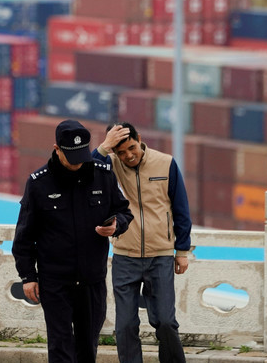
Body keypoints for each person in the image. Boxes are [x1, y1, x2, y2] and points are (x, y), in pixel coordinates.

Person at [12, 119, 133, 363]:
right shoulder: (38, 183)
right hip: (55, 281)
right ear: (57, 149)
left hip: (92, 279)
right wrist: (28, 277)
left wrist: (116, 224)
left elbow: (124, 212)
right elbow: (24, 236)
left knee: (87, 346)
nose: (78, 163)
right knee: (60, 345)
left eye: (82, 155)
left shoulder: (103, 175)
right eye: (71, 156)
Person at [93, 122, 192, 363]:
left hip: (161, 255)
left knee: (166, 322)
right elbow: (86, 173)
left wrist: (182, 250)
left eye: (131, 148)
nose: (128, 156)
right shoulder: (109, 164)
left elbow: (181, 209)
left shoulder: (166, 163)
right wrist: (104, 147)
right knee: (125, 326)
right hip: (125, 256)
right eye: (121, 152)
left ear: (140, 139)